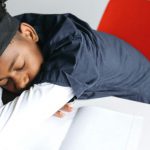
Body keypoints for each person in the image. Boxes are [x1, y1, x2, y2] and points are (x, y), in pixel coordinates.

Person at [0, 0, 150, 112]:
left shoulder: (76, 47)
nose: (19, 83)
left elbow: (26, 110)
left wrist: (42, 100)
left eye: (20, 66)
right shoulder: (19, 40)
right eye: (5, 81)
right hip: (110, 101)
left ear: (29, 33)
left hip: (142, 97)